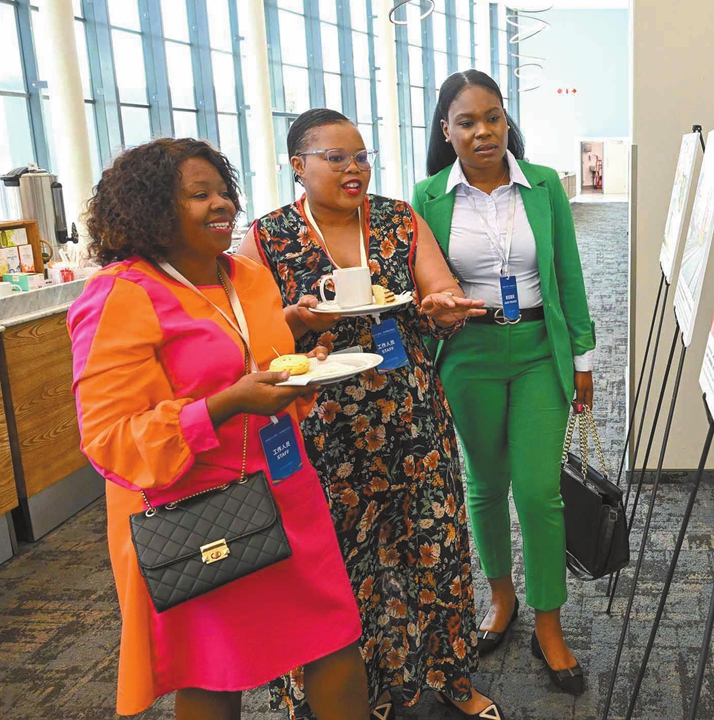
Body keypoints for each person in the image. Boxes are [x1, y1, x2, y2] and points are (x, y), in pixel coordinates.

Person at [69, 138, 368, 720]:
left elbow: (251, 361)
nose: (222, 205)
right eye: (198, 195)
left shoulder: (248, 279)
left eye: (224, 191)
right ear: (151, 211)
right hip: (192, 509)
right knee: (213, 667)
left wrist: (300, 356)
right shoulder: (120, 294)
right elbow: (109, 436)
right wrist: (224, 405)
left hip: (285, 484)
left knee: (334, 634)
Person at [238, 109, 502, 720]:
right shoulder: (268, 235)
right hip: (320, 423)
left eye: (360, 156)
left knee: (432, 543)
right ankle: (367, 691)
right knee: (341, 562)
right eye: (336, 158)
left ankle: (451, 679)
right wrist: (301, 320)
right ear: (298, 166)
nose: (353, 168)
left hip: (410, 413)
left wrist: (442, 305)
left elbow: (434, 285)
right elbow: (249, 329)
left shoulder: (397, 219)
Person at [412, 70, 596, 695]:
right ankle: (500, 597)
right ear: (447, 131)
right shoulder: (428, 198)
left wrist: (585, 359)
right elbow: (421, 283)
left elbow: (567, 273)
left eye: (493, 117)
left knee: (540, 490)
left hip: (541, 348)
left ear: (506, 120)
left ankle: (550, 620)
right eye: (467, 122)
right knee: (484, 485)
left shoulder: (542, 186)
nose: (484, 131)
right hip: (469, 351)